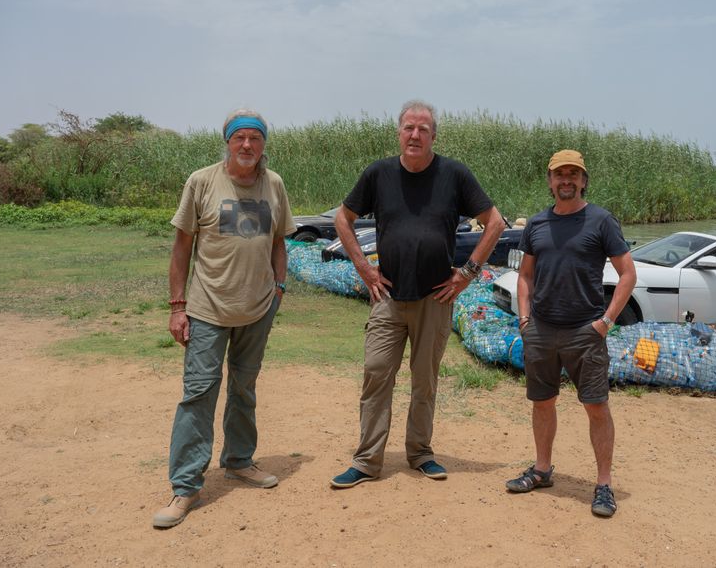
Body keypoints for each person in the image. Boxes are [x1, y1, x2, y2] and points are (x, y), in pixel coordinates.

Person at [330, 100, 505, 488]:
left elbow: (495, 222)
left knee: (424, 380)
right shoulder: (378, 174)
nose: (415, 135)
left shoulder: (454, 175)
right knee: (376, 373)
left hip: (434, 298)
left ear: (433, 136)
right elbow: (343, 218)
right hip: (388, 296)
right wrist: (363, 267)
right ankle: (367, 460)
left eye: (423, 129)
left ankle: (420, 453)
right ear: (399, 133)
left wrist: (467, 273)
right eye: (409, 128)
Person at [152, 109, 296, 528]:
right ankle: (185, 486)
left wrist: (279, 289)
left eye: (255, 138)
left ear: (264, 144)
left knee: (244, 387)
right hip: (207, 309)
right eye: (240, 138)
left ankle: (238, 461)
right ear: (228, 142)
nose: (247, 145)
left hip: (258, 309)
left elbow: (279, 242)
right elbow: (182, 247)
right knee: (199, 393)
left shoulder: (274, 184)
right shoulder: (202, 182)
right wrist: (177, 307)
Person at [504, 149, 636, 518]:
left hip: (585, 332)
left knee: (596, 406)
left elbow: (627, 274)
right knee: (542, 402)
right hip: (542, 330)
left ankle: (604, 484)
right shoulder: (536, 224)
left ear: (583, 180)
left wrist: (605, 322)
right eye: (559, 174)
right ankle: (542, 469)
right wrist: (525, 320)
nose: (566, 180)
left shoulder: (601, 221)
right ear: (550, 181)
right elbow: (525, 276)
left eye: (573, 174)